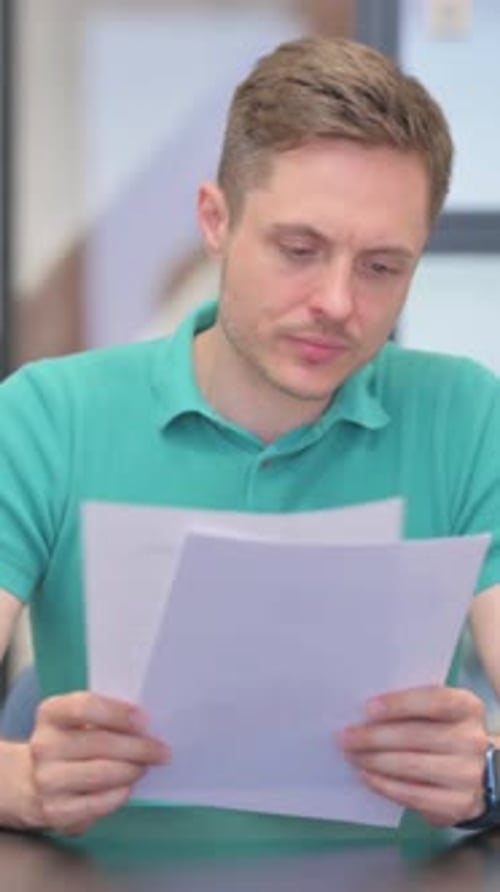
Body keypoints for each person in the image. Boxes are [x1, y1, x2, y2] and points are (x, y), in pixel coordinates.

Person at [0, 35, 499, 838]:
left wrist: (489, 777)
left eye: (381, 267)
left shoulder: (467, 414)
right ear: (215, 220)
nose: (337, 301)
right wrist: (20, 781)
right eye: (299, 251)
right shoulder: (48, 415)